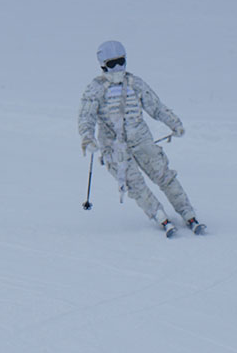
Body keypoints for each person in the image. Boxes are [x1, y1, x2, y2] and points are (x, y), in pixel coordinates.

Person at [78, 40, 205, 237]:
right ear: (103, 65)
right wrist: (88, 138)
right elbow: (86, 115)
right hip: (114, 146)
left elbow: (155, 106)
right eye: (112, 64)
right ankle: (159, 215)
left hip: (141, 139)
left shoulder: (134, 83)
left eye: (121, 62)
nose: (118, 68)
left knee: (164, 175)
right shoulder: (96, 88)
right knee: (134, 183)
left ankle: (187, 212)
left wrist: (174, 123)